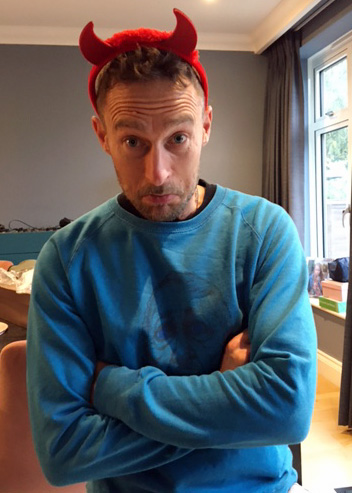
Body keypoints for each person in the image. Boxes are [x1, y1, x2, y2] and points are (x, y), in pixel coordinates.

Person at [27, 9, 317, 493]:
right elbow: (64, 452)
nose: (157, 173)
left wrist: (113, 388)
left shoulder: (265, 232)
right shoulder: (68, 258)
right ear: (103, 135)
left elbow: (287, 409)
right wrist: (229, 410)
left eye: (178, 138)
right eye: (133, 141)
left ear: (205, 125)